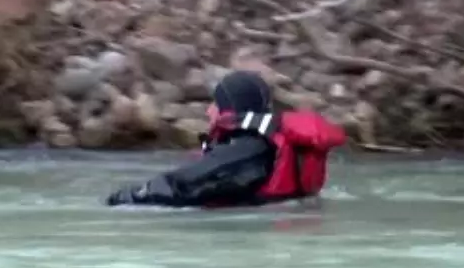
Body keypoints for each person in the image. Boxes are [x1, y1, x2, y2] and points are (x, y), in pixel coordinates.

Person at [104, 70, 348, 208]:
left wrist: (126, 197)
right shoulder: (267, 146)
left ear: (230, 108)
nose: (209, 111)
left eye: (215, 104)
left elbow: (185, 185)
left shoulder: (248, 150)